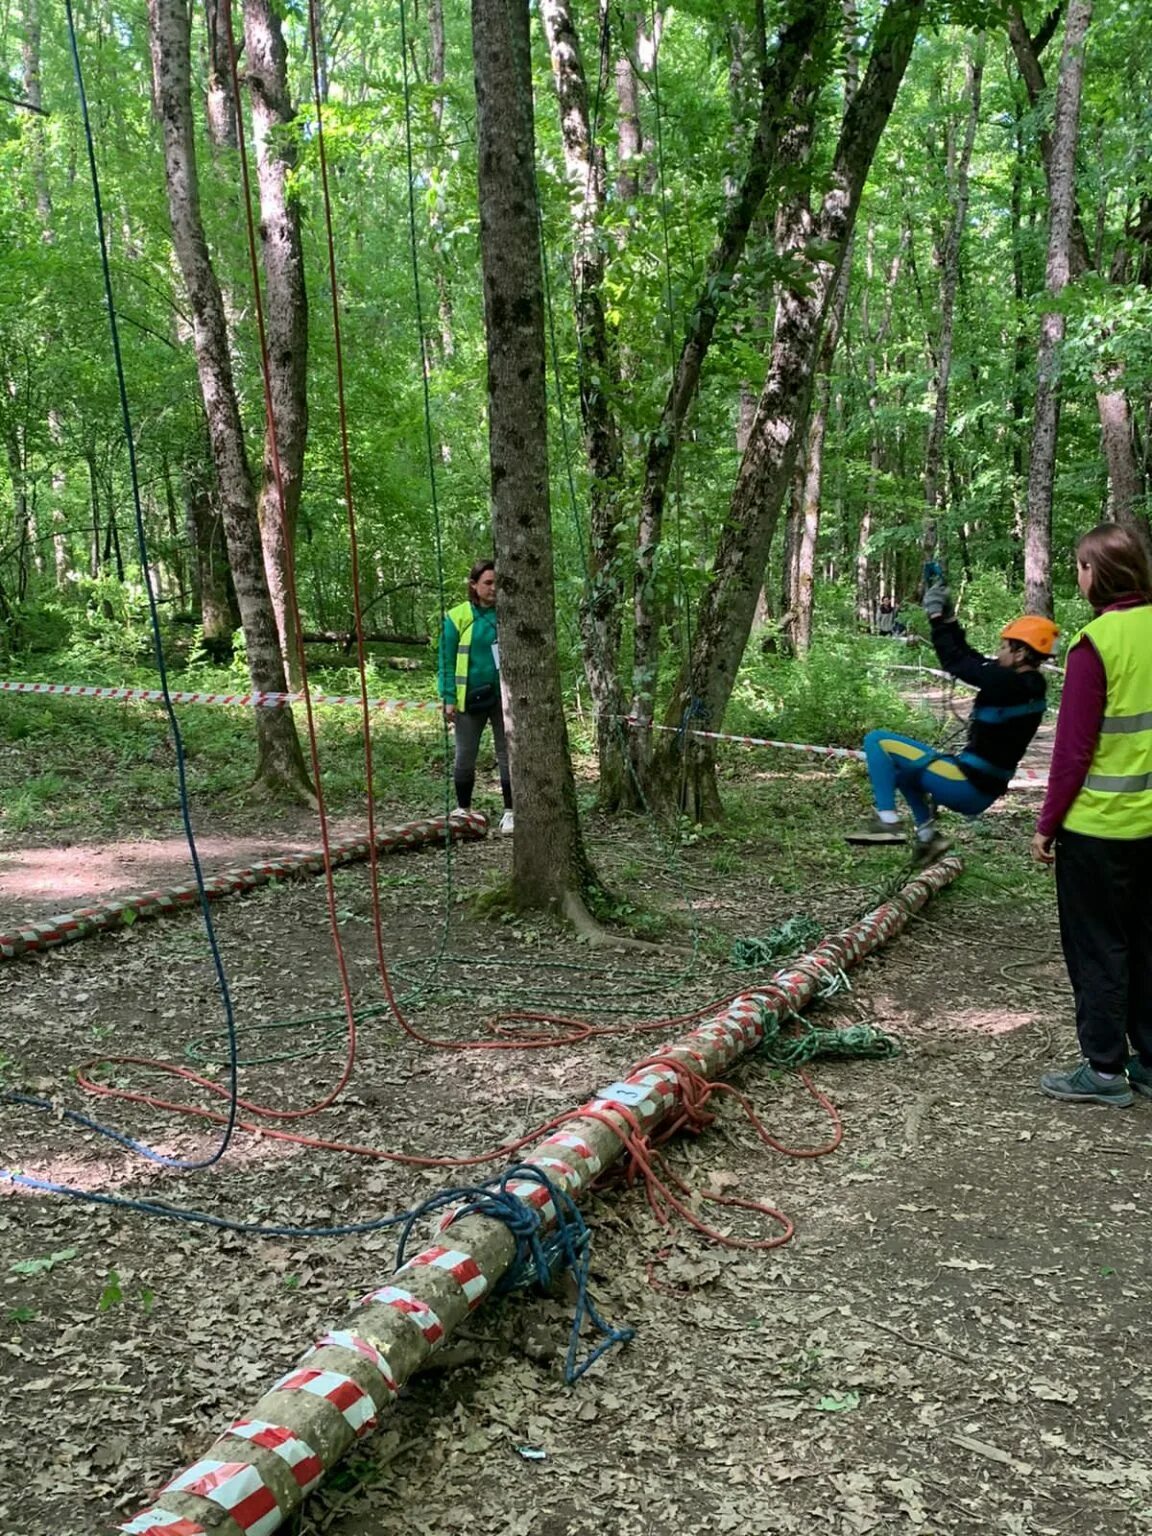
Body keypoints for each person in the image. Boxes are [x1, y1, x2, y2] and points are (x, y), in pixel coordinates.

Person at [1031, 523, 1152, 1107]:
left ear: (1100, 573)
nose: (1077, 575)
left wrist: (1047, 824)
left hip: (1100, 828)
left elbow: (1073, 751)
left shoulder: (1095, 644)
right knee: (1148, 942)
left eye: (1081, 565)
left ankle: (1103, 1069)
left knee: (1099, 946)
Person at [846, 582, 1057, 866]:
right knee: (903, 773)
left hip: (966, 783)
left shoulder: (1008, 682)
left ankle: (887, 823)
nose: (999, 652)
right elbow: (974, 659)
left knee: (877, 740)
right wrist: (949, 621)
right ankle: (928, 837)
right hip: (982, 785)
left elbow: (957, 662)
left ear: (1020, 654)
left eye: (1004, 647)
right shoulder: (1028, 684)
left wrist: (935, 618)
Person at [438, 559, 513, 834]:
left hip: (504, 698)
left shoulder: (509, 612)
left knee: (507, 754)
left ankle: (510, 812)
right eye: (488, 583)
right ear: (474, 585)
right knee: (465, 754)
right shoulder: (457, 617)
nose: (494, 588)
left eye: (498, 583)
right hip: (468, 698)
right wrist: (448, 697)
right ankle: (463, 809)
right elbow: (445, 661)